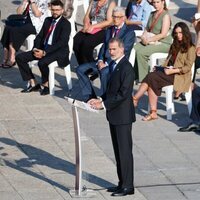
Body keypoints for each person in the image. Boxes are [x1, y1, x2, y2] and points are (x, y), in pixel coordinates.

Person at [88, 38, 135, 197]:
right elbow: (111, 90)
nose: (111, 52)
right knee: (118, 152)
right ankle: (121, 183)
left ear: (122, 49)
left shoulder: (126, 68)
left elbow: (123, 94)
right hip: (114, 115)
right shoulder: (114, 66)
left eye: (114, 49)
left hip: (122, 116)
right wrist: (100, 99)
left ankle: (128, 186)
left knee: (124, 152)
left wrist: (104, 105)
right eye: (110, 49)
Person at [133, 22, 196, 121]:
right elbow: (169, 61)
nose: (178, 35)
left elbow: (187, 67)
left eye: (180, 33)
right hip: (169, 72)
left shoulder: (191, 48)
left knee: (151, 77)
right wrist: (160, 68)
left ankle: (136, 99)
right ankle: (151, 112)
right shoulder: (174, 45)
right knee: (153, 78)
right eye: (176, 33)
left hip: (180, 76)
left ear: (185, 33)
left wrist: (173, 71)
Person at [76, 6, 135, 102]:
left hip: (116, 64)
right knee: (80, 69)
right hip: (103, 62)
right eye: (114, 16)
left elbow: (123, 51)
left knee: (104, 71)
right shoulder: (109, 30)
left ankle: (105, 100)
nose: (115, 19)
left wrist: (107, 63)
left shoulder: (129, 33)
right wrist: (99, 60)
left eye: (118, 17)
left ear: (123, 18)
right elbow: (104, 47)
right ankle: (90, 97)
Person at [16, 0, 71, 95]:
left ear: (62, 10)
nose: (55, 12)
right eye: (53, 10)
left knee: (42, 62)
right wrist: (35, 48)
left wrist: (45, 52)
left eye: (57, 10)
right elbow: (40, 36)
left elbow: (61, 43)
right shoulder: (47, 20)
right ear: (50, 9)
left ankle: (46, 84)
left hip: (58, 51)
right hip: (43, 48)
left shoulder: (66, 24)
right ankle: (33, 83)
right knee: (20, 58)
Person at [0, 0, 49, 68]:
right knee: (8, 28)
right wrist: (24, 3)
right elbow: (19, 12)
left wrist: (32, 3)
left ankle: (12, 58)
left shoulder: (43, 1)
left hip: (36, 25)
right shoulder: (27, 1)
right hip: (24, 22)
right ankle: (5, 57)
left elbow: (37, 14)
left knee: (15, 31)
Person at [134, 0, 172, 82]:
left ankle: (144, 79)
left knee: (141, 53)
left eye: (157, 2)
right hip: (151, 40)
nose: (155, 4)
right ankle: (136, 74)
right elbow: (147, 29)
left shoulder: (165, 15)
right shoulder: (152, 14)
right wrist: (144, 37)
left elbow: (163, 34)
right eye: (154, 2)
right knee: (134, 49)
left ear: (163, 2)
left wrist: (148, 40)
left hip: (164, 43)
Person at [73, 0, 116, 65]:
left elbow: (109, 21)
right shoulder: (93, 1)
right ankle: (82, 65)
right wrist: (86, 23)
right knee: (76, 40)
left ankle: (90, 66)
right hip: (91, 27)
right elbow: (87, 16)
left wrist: (94, 26)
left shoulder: (110, 3)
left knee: (86, 43)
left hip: (104, 29)